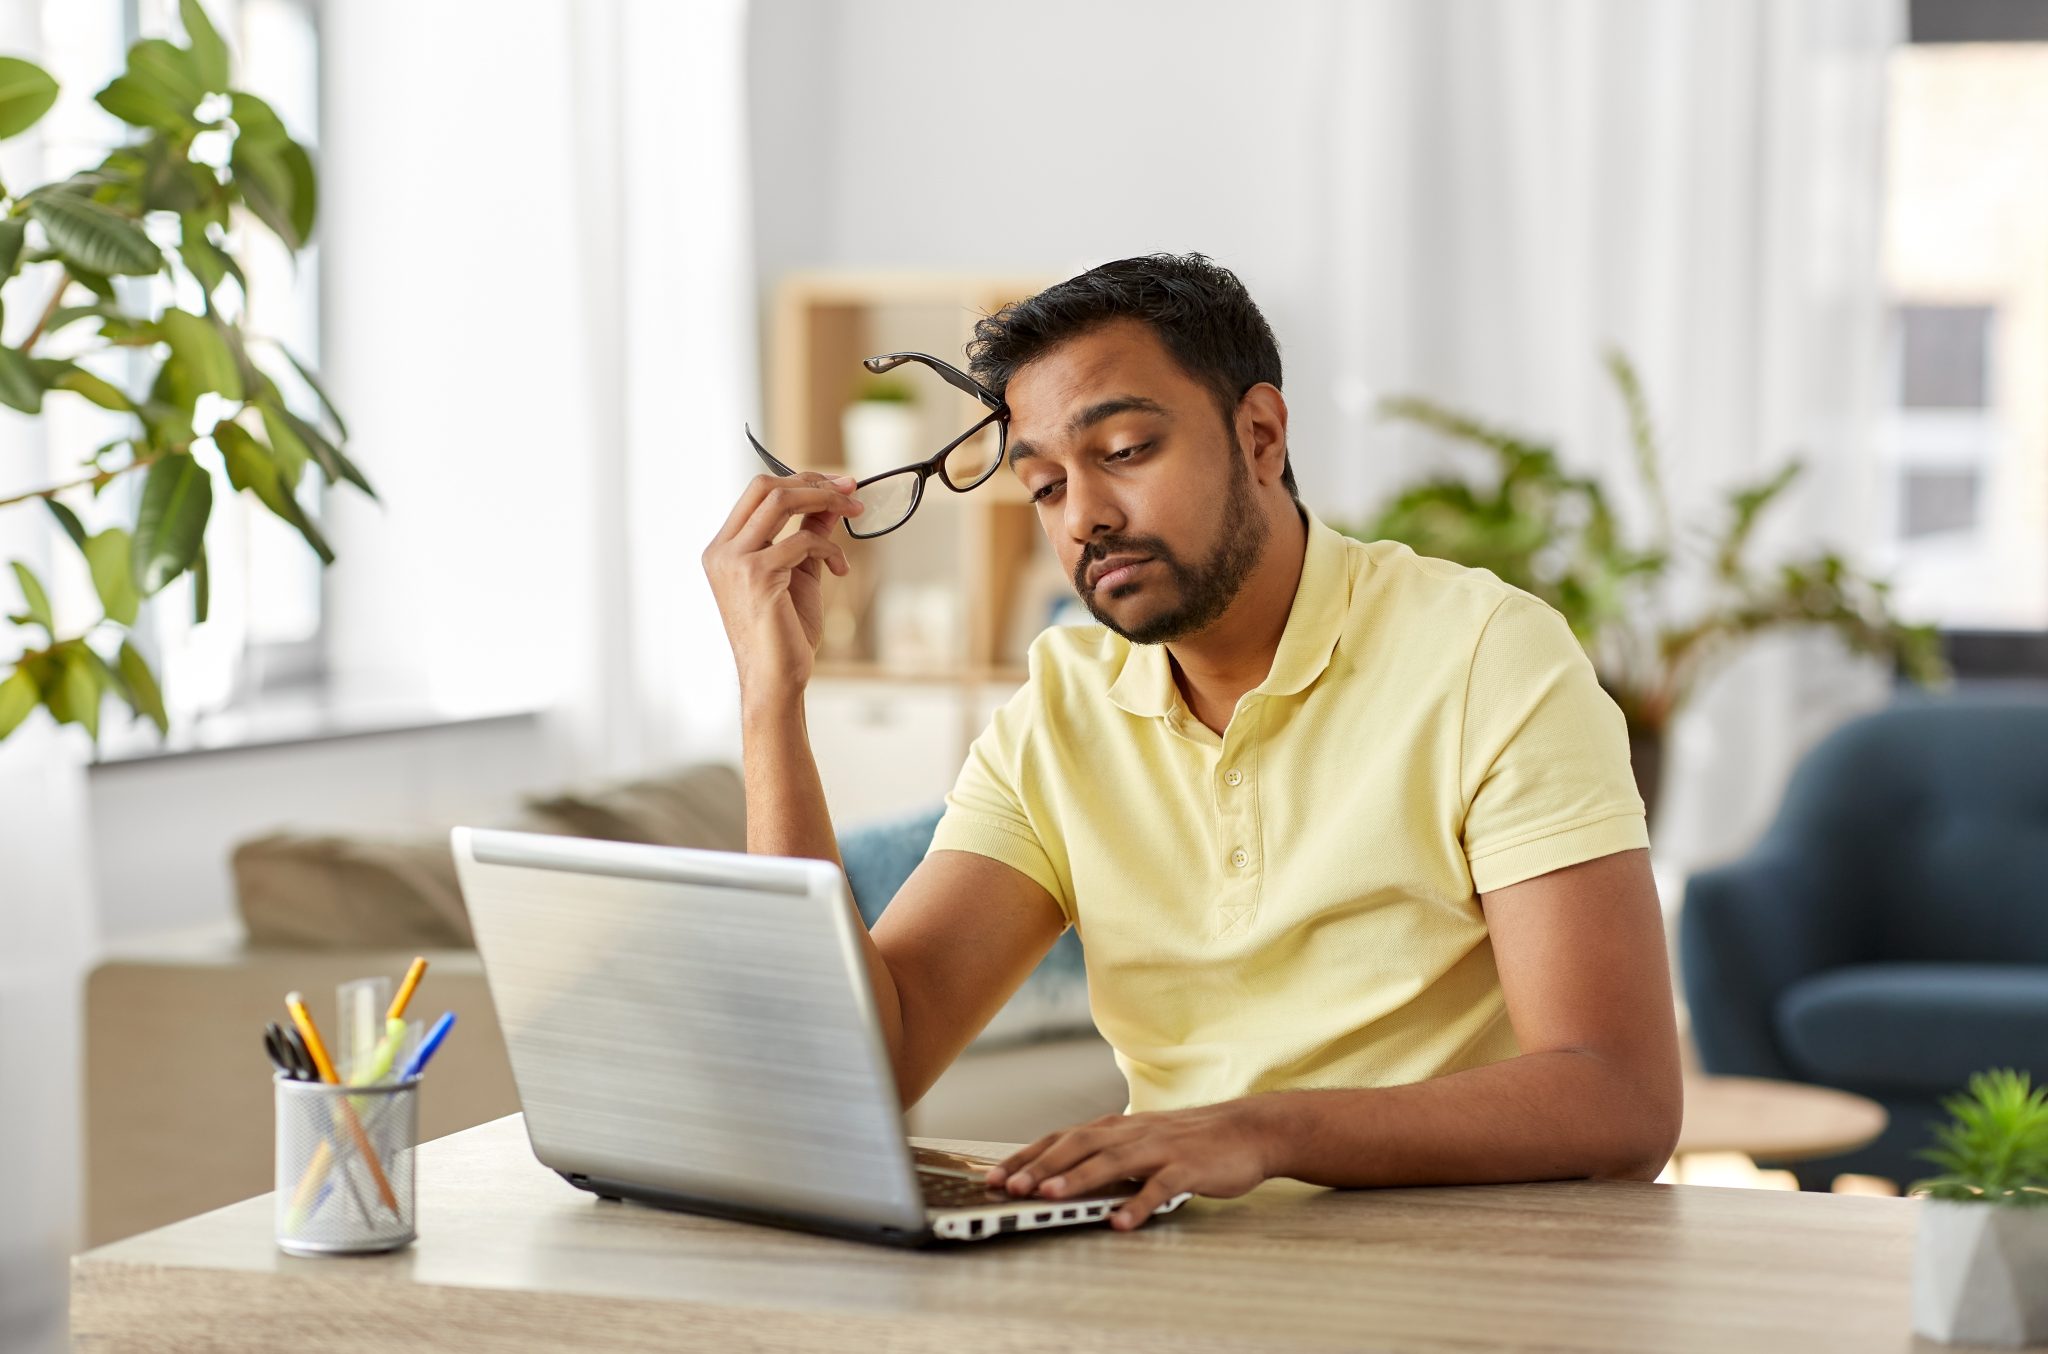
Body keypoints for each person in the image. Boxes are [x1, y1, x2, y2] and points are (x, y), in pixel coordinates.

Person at [701, 253, 1681, 1232]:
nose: (1083, 514)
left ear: (1258, 434)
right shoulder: (1061, 709)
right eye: (1042, 486)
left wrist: (1255, 1132)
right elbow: (855, 1065)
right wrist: (769, 701)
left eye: (1123, 449)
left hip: (1454, 1281)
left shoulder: (1483, 656)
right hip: (1170, 1276)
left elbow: (1616, 1097)